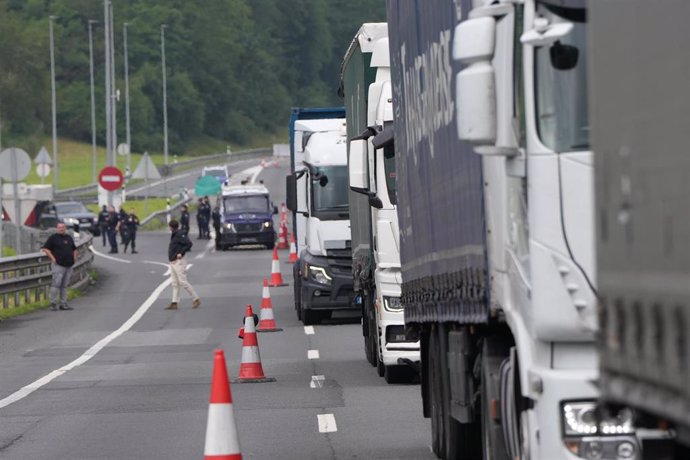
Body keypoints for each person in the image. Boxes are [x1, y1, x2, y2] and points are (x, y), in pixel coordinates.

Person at [166, 219, 200, 310]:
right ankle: (174, 302)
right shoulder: (175, 234)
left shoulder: (180, 234)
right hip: (173, 260)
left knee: (182, 281)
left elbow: (189, 243)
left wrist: (181, 252)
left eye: (169, 226)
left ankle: (195, 298)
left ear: (171, 227)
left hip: (179, 261)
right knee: (175, 283)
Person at [42, 223, 77, 311]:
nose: (61, 229)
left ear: (65, 228)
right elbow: (46, 249)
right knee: (56, 284)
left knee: (64, 285)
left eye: (63, 227)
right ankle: (53, 303)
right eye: (59, 227)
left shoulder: (68, 238)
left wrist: (74, 258)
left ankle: (63, 303)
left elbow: (74, 249)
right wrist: (53, 258)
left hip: (69, 264)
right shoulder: (53, 238)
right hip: (58, 264)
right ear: (57, 229)